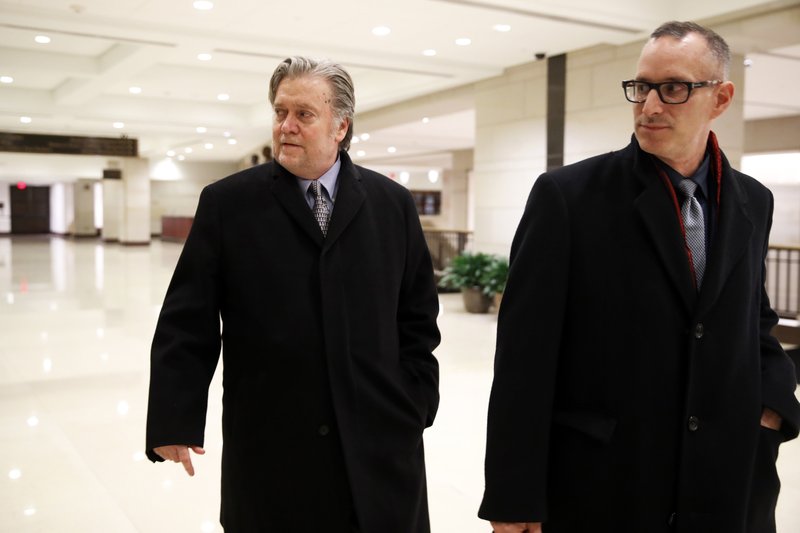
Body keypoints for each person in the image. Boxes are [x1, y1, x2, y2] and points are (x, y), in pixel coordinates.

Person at [479, 21, 800, 533]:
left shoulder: (752, 200)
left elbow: (754, 319)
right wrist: (513, 495)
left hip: (726, 476)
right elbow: (524, 358)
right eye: (642, 87)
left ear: (720, 98)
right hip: (607, 480)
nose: (649, 106)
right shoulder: (568, 197)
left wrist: (773, 410)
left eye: (673, 89)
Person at [145, 56, 441, 532]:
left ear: (340, 125)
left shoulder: (392, 204)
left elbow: (417, 317)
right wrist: (174, 417)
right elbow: (188, 318)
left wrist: (415, 402)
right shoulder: (228, 203)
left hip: (378, 439)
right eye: (280, 112)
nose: (286, 126)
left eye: (304, 114)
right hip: (272, 442)